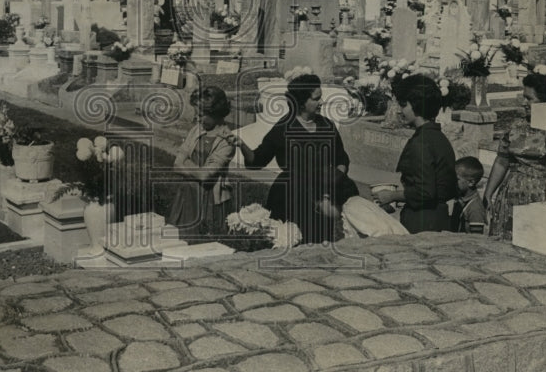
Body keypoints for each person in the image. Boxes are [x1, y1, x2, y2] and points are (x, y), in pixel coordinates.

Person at [236, 73, 359, 244]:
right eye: (316, 99)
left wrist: (335, 180)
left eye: (320, 98)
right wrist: (241, 144)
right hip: (290, 197)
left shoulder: (327, 125)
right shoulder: (283, 128)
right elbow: (257, 161)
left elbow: (341, 158)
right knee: (293, 244)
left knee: (320, 243)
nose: (321, 102)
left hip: (324, 196)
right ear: (301, 102)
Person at [373, 74, 457, 233]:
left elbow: (425, 192)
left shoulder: (421, 143)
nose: (400, 110)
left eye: (404, 105)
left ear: (417, 105)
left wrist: (392, 196)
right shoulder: (438, 137)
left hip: (423, 221)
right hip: (439, 217)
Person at [484, 71, 546, 240]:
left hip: (539, 195)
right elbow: (502, 160)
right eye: (523, 97)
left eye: (529, 99)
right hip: (510, 192)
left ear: (545, 101)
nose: (524, 103)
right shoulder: (517, 124)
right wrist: (488, 193)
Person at [165, 87, 236, 241]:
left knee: (204, 243)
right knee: (179, 240)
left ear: (215, 113)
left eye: (201, 114)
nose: (196, 118)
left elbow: (206, 176)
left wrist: (187, 163)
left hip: (210, 199)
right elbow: (176, 164)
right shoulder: (196, 130)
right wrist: (197, 170)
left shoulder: (227, 141)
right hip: (187, 195)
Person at [451, 157, 486, 234]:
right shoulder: (460, 196)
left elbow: (477, 238)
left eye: (457, 179)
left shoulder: (475, 208)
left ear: (471, 182)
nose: (452, 181)